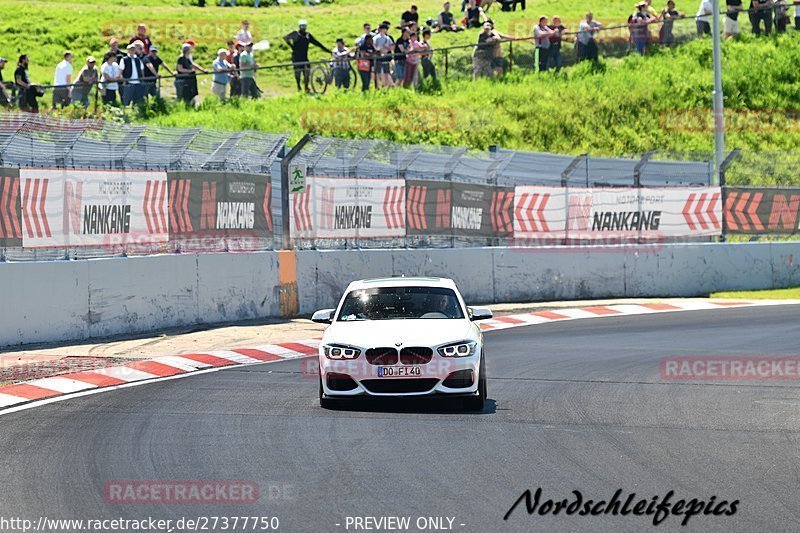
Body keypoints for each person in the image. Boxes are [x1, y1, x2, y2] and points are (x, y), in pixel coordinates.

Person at [284, 20, 331, 92]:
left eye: (304, 27)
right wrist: (291, 46)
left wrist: (327, 50)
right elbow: (286, 37)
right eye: (302, 27)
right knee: (298, 72)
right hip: (296, 57)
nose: (303, 28)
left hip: (304, 57)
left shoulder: (307, 35)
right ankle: (299, 86)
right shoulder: (295, 34)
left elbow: (317, 43)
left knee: (307, 72)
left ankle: (306, 87)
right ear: (299, 27)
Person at [373, 23, 395, 88]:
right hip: (378, 57)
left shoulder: (388, 38)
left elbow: (392, 46)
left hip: (386, 57)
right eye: (384, 29)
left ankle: (386, 85)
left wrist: (387, 49)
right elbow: (374, 46)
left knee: (386, 72)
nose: (385, 30)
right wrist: (380, 50)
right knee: (378, 73)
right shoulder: (376, 38)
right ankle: (378, 86)